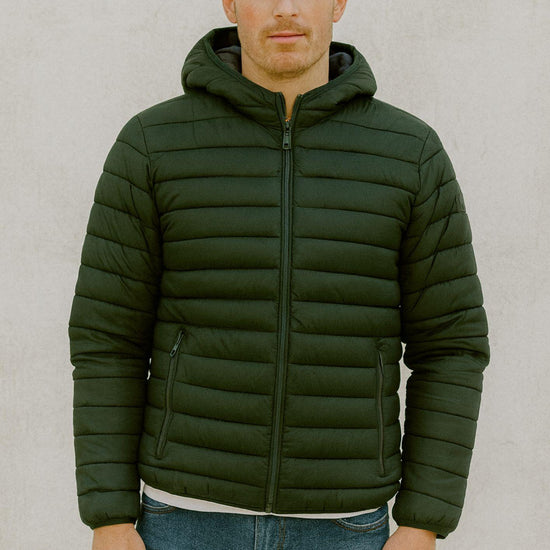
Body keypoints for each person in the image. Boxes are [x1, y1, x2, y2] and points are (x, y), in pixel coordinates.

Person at [68, 1, 490, 549]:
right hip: (183, 520)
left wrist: (422, 521)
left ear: (338, 3)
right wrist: (109, 517)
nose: (285, 9)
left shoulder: (410, 154)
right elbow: (107, 340)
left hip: (346, 527)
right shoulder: (153, 144)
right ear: (231, 3)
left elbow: (452, 346)